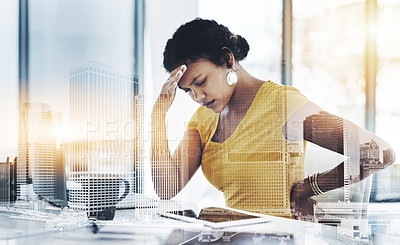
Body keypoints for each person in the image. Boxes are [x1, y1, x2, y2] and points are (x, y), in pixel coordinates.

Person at [151, 18, 395, 220]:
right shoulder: (202, 119)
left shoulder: (283, 105)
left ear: (227, 60)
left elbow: (379, 153)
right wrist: (157, 117)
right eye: (187, 91)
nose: (197, 97)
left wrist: (306, 189)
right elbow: (166, 188)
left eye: (201, 82)